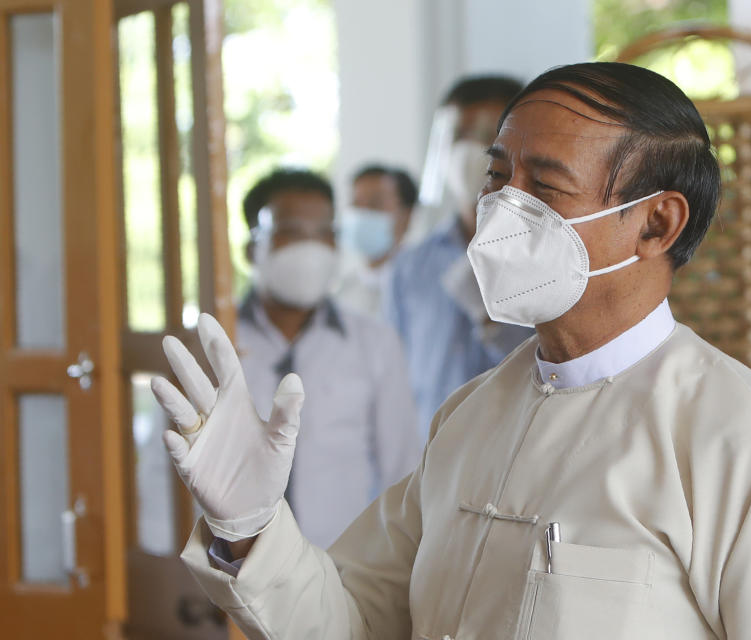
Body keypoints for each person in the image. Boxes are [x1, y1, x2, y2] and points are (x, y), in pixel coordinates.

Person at [152, 64, 751, 639]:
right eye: (497, 178)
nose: (501, 210)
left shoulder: (742, 436)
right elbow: (353, 621)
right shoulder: (469, 417)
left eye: (544, 186)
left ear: (656, 222)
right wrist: (248, 527)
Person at [163, 167, 421, 549]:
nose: (310, 248)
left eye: (324, 234)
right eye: (291, 232)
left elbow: (402, 470)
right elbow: (164, 466)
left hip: (343, 570)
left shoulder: (375, 344)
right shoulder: (209, 345)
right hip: (230, 570)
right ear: (252, 249)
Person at [384, 75, 534, 436]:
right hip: (430, 463)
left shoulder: (549, 255)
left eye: (486, 135)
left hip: (519, 460)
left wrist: (493, 322)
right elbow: (391, 384)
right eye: (459, 136)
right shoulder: (411, 266)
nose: (470, 151)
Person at [334, 164, 417, 315]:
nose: (363, 214)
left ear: (407, 216)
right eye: (356, 205)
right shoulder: (342, 292)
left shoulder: (424, 285)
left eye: (375, 204)